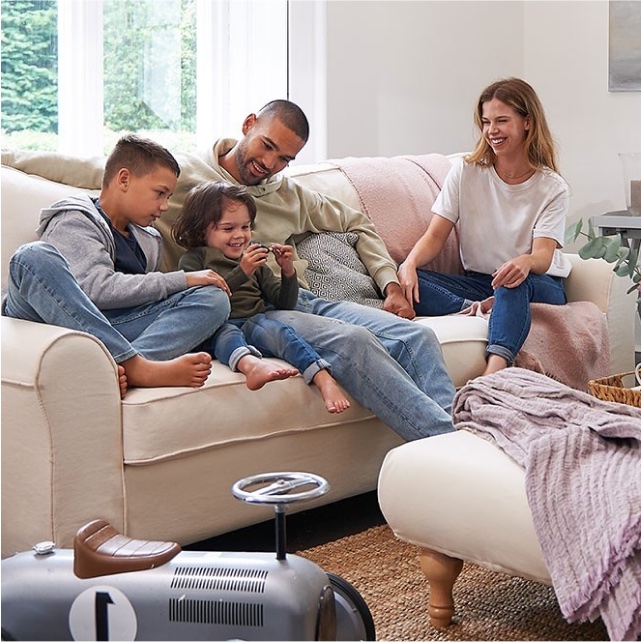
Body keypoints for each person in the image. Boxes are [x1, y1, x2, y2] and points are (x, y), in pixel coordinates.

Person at [158, 99, 456, 442]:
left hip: (298, 298)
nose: (269, 164)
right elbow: (110, 170)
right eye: (267, 145)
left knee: (417, 336)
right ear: (248, 124)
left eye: (284, 158)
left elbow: (357, 224)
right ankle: (452, 447)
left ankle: (455, 442)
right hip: (256, 315)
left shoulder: (292, 195)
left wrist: (390, 286)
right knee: (354, 342)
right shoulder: (183, 174)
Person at [3, 134, 232, 398]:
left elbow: (138, 300)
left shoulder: (149, 238)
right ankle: (136, 367)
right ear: (124, 179)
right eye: (159, 193)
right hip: (45, 320)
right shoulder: (75, 219)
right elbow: (93, 290)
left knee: (214, 298)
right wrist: (183, 279)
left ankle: (121, 366)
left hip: (106, 329)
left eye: (168, 196)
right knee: (32, 256)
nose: (165, 206)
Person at [397, 77, 571, 377]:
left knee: (510, 283)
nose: (492, 130)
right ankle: (485, 306)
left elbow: (543, 257)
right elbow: (436, 235)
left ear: (527, 122)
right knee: (409, 281)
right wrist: (409, 264)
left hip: (537, 283)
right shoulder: (466, 171)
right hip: (481, 282)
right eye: (487, 121)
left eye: (502, 120)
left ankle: (494, 372)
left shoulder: (552, 187)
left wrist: (524, 262)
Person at [173, 180, 351, 414]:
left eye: (245, 227)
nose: (240, 235)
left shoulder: (253, 257)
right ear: (200, 231)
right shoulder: (194, 260)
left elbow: (283, 303)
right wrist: (242, 271)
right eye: (228, 229)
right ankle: (251, 366)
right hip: (218, 327)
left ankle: (322, 377)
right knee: (227, 333)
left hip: (255, 321)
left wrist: (288, 271)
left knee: (280, 331)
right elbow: (202, 301)